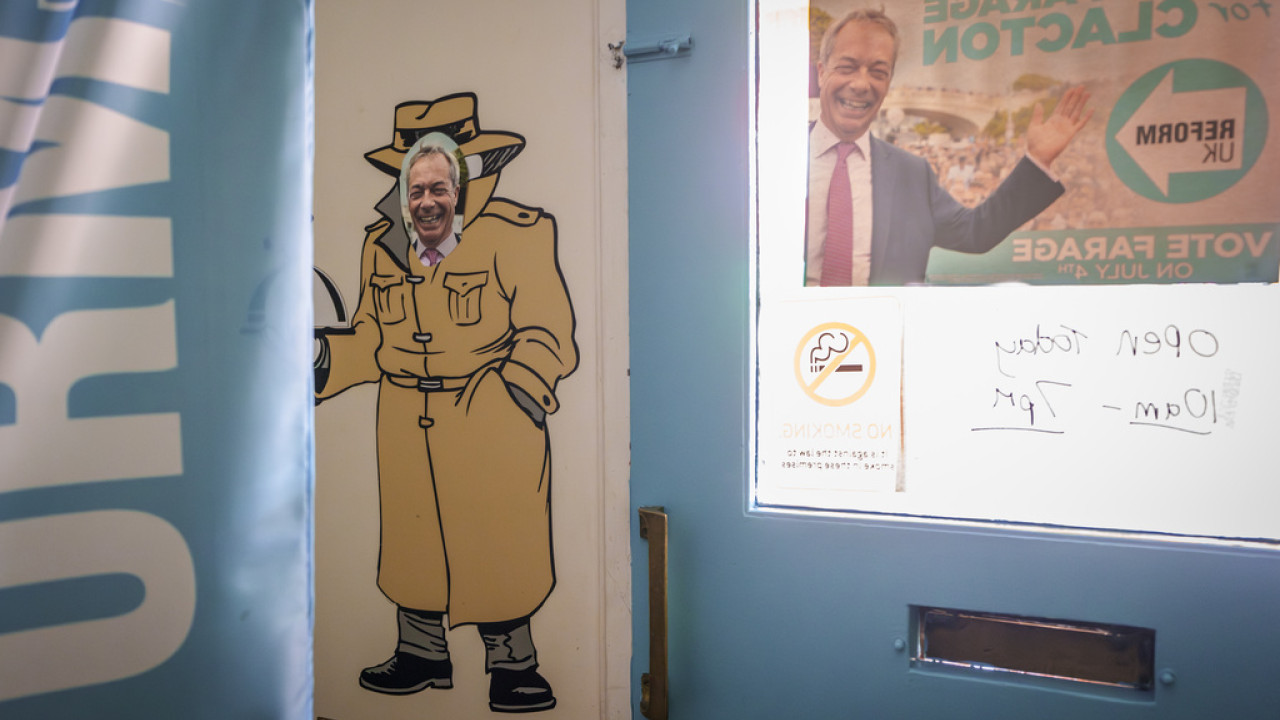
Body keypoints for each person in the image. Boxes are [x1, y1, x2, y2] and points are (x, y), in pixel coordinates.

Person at [314, 95, 577, 713]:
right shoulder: (381, 246)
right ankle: (421, 654)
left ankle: (513, 665)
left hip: (490, 418)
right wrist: (321, 358)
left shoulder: (519, 233)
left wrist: (516, 397)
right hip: (405, 421)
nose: (426, 201)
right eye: (414, 187)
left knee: (500, 543)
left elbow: (547, 332)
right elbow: (372, 339)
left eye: (439, 186)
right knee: (414, 546)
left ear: (464, 183)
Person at [806, 7, 1092, 286]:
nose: (861, 84)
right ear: (821, 72)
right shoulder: (781, 155)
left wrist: (1037, 160)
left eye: (878, 72)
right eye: (847, 67)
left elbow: (976, 232)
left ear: (888, 83)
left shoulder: (912, 174)